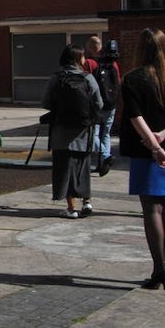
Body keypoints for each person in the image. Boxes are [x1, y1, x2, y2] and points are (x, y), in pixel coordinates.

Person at [121, 28, 165, 289]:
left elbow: (135, 116)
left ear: (141, 49)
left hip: (145, 150)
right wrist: (163, 136)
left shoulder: (133, 79)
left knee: (151, 208)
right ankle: (162, 263)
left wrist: (153, 145)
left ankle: (159, 267)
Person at [42, 44, 103, 218]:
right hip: (83, 131)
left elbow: (46, 102)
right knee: (83, 167)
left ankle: (71, 208)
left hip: (61, 132)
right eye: (83, 57)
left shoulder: (56, 78)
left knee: (64, 169)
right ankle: (87, 202)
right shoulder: (88, 78)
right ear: (78, 59)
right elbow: (99, 103)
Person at [83, 35, 120, 176]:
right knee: (106, 134)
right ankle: (103, 163)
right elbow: (118, 82)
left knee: (93, 135)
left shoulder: (89, 63)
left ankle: (105, 156)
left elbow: (85, 85)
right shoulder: (113, 63)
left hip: (96, 105)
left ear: (91, 47)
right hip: (111, 104)